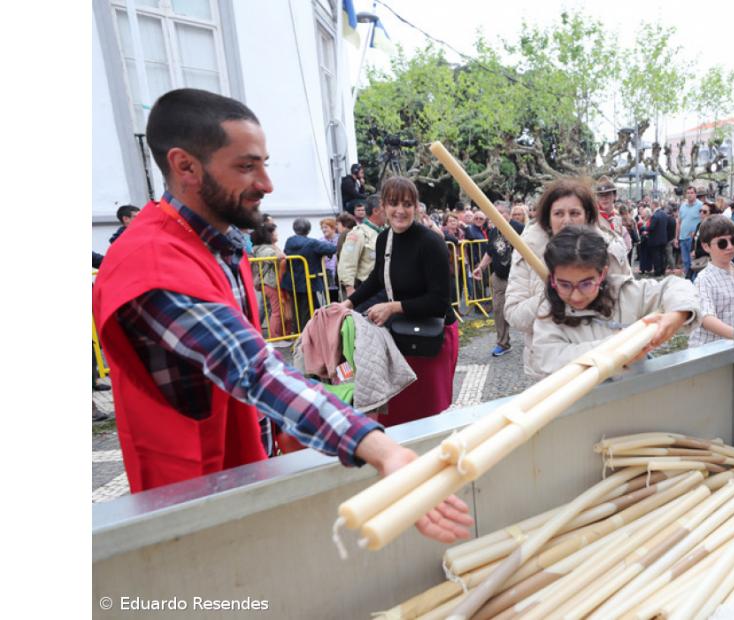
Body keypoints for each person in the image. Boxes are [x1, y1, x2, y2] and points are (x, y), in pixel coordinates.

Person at [91, 88, 471, 541]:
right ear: (185, 166)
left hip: (236, 473)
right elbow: (254, 370)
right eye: (246, 166)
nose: (267, 184)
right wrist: (378, 448)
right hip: (190, 500)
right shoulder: (152, 262)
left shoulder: (215, 246)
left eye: (264, 163)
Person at [343, 176, 459, 425]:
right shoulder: (385, 239)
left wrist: (393, 307)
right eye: (393, 203)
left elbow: (440, 301)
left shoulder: (432, 243)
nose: (400, 211)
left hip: (431, 339)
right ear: (383, 206)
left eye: (407, 204)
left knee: (427, 417)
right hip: (400, 334)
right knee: (397, 415)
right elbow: (376, 278)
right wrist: (348, 303)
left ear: (416, 207)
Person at [528, 226, 701, 378]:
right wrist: (620, 345)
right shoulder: (547, 312)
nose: (576, 296)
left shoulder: (624, 292)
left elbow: (676, 285)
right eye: (564, 285)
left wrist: (678, 314)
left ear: (602, 274)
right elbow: (549, 357)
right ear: (552, 278)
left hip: (634, 399)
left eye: (586, 284)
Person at [504, 178, 631, 376]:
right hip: (551, 369)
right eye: (558, 213)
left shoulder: (608, 247)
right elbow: (514, 315)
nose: (566, 221)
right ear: (548, 216)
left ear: (587, 215)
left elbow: (628, 304)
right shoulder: (528, 250)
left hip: (603, 362)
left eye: (574, 213)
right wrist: (552, 296)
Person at [688, 216, 734, 347]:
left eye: (733, 241)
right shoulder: (704, 279)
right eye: (722, 243)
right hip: (708, 349)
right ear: (706, 247)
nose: (730, 247)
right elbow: (706, 319)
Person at [472, 201, 525, 357]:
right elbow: (490, 252)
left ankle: (535, 342)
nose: (498, 215)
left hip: (519, 278)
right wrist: (480, 267)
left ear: (508, 213)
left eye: (501, 212)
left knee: (526, 311)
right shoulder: (494, 231)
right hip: (500, 277)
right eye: (495, 212)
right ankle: (503, 343)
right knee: (498, 310)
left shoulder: (519, 228)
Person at [281, 218, 336, 330]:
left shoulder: (289, 241)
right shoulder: (312, 243)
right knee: (308, 310)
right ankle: (306, 336)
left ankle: (297, 333)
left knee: (296, 309)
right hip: (308, 282)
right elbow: (332, 248)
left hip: (292, 282)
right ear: (309, 230)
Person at [338, 195, 386, 307]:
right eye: (385, 209)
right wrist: (350, 290)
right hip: (366, 290)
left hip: (384, 289)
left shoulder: (385, 231)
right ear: (376, 211)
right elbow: (347, 263)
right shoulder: (359, 233)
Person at [250, 222, 293, 338]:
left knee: (278, 311)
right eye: (274, 232)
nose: (277, 234)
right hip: (271, 283)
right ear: (268, 235)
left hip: (272, 283)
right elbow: (273, 257)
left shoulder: (266, 247)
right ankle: (275, 337)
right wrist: (278, 254)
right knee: (277, 312)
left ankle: (281, 335)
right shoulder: (264, 249)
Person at [674, 187, 705, 280]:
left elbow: (705, 220)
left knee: (695, 262)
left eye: (691, 193)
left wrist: (697, 233)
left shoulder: (701, 205)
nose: (689, 194)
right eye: (688, 193)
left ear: (695, 194)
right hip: (683, 238)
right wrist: (676, 238)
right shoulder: (683, 206)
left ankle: (695, 282)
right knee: (685, 261)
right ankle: (688, 282)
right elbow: (679, 222)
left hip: (694, 239)